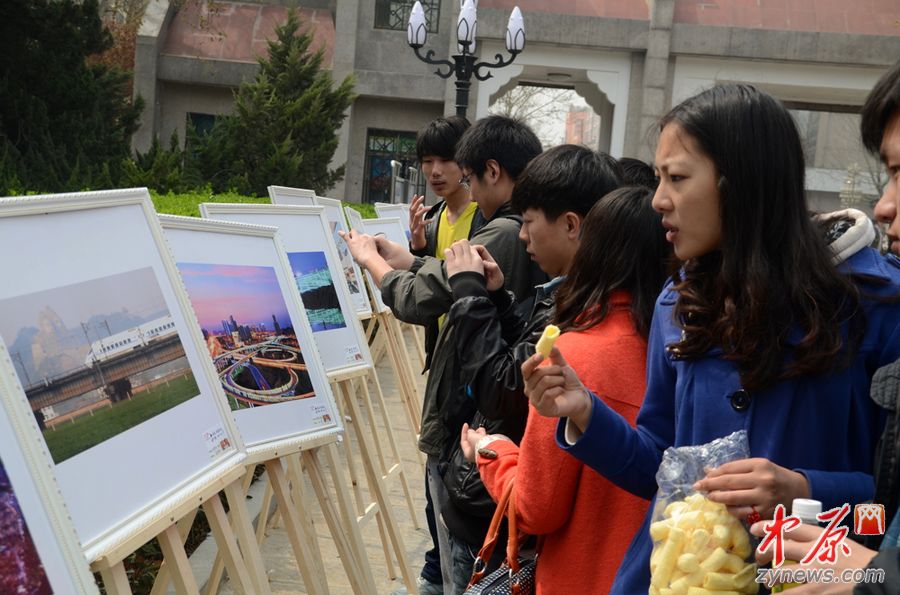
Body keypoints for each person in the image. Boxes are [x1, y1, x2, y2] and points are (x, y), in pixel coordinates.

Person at [521, 83, 900, 594]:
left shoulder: (875, 305)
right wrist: (584, 412)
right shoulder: (678, 302)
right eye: (659, 178)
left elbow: (887, 510)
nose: (658, 200)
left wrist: (806, 490)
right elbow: (664, 467)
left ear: (739, 183)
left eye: (677, 178)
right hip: (681, 579)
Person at [343, 114, 543, 595]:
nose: (449, 178)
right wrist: (410, 258)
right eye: (427, 161)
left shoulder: (499, 230)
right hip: (477, 410)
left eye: (462, 171)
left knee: (459, 550)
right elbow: (440, 275)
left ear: (490, 171)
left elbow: (423, 297)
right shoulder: (467, 223)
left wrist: (369, 259)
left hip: (472, 417)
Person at [456, 185, 672, 594]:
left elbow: (538, 509)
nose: (523, 235)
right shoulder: (687, 354)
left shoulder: (572, 357)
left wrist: (494, 453)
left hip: (581, 577)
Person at [441, 145, 628, 592]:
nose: (523, 237)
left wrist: (467, 293)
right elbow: (522, 359)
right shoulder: (585, 299)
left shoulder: (583, 329)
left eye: (527, 222)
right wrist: (502, 301)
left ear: (570, 224)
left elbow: (505, 388)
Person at [398, 114, 474, 595]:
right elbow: (435, 285)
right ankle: (435, 571)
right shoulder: (437, 217)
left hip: (470, 372)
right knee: (436, 480)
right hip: (444, 363)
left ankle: (443, 576)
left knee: (452, 481)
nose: (434, 170)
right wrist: (418, 246)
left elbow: (441, 288)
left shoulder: (482, 219)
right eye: (427, 160)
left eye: (444, 159)